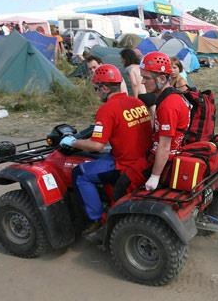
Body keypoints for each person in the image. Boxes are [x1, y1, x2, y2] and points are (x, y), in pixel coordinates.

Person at [59, 64, 152, 237]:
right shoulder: (137, 102)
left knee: (80, 173)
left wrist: (73, 142)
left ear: (104, 88)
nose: (96, 93)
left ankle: (96, 220)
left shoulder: (107, 109)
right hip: (143, 159)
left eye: (96, 89)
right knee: (99, 161)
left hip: (126, 165)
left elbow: (96, 145)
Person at [140, 52, 191, 191]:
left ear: (162, 78)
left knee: (122, 183)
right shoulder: (169, 96)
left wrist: (154, 176)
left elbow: (165, 146)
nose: (142, 82)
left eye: (146, 78)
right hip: (164, 156)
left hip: (165, 162)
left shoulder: (169, 104)